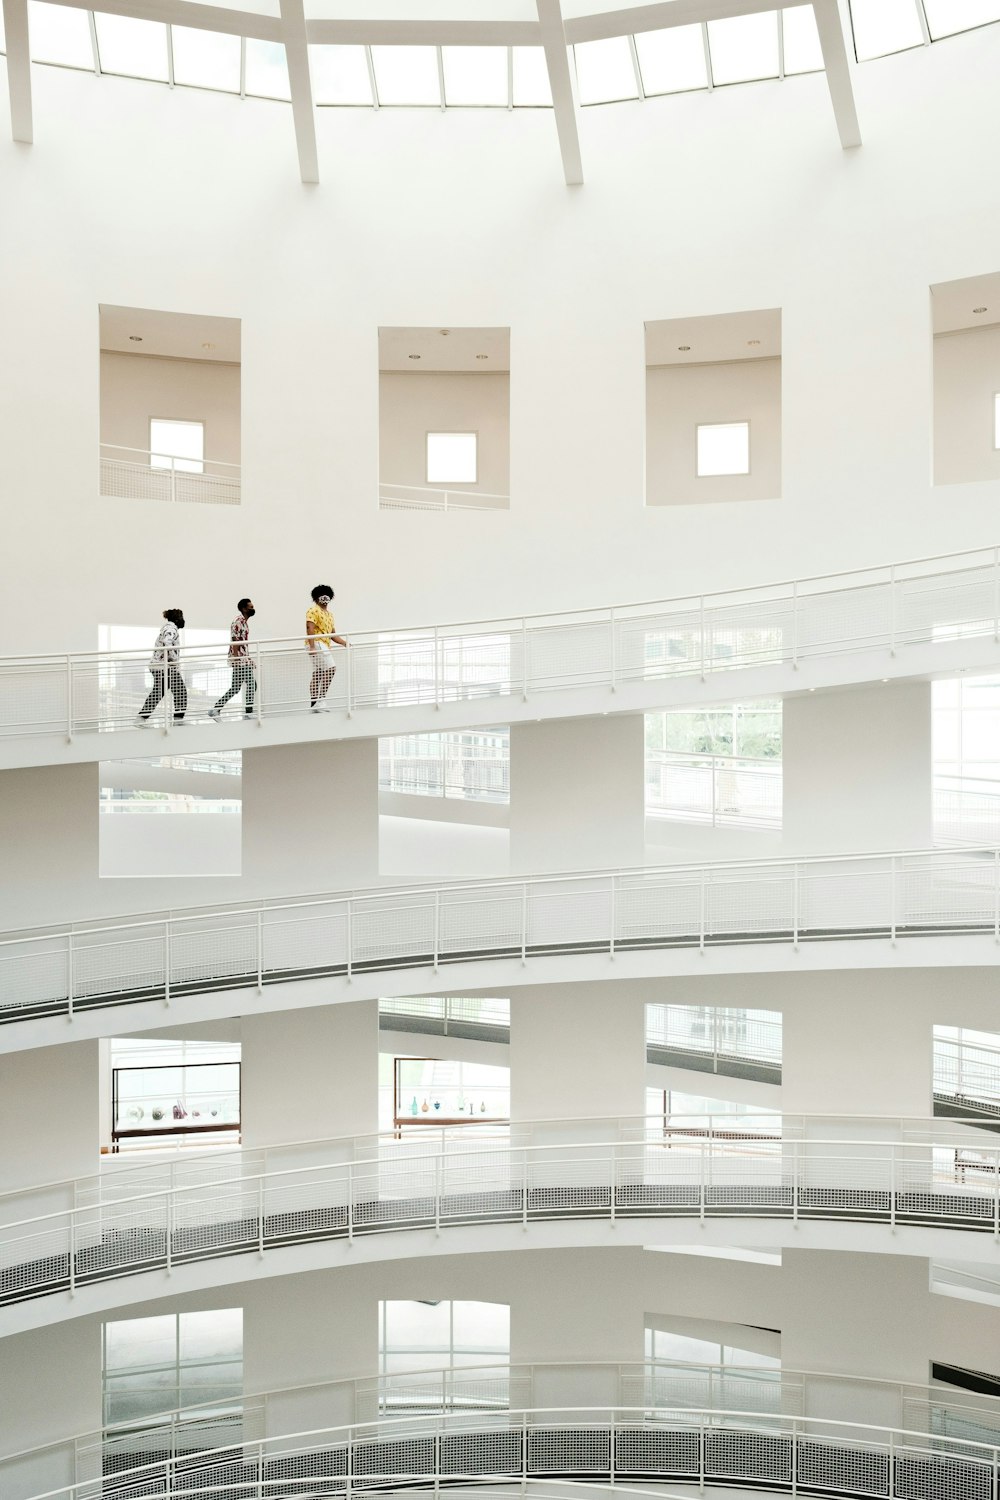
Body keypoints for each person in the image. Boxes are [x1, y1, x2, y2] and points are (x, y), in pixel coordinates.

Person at [135, 608, 187, 725]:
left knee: (159, 692)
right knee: (181, 692)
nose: (183, 620)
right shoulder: (171, 628)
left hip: (159, 666)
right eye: (182, 617)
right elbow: (167, 643)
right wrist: (174, 660)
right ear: (177, 618)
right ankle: (178, 720)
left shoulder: (168, 627)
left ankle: (142, 717)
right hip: (165, 667)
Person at [208, 598, 257, 720]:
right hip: (239, 660)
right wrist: (236, 659)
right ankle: (248, 711)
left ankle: (216, 709)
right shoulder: (238, 621)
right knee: (251, 684)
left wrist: (249, 659)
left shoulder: (244, 622)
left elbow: (243, 644)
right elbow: (235, 641)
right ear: (244, 609)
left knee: (235, 688)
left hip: (243, 659)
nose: (253, 609)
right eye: (250, 607)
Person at [305, 583, 347, 711]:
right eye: (322, 595)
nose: (325, 598)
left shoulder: (330, 615)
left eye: (327, 595)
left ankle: (314, 704)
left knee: (318, 673)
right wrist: (312, 646)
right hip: (317, 643)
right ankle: (321, 700)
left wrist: (344, 643)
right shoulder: (313, 610)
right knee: (331, 668)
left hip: (324, 645)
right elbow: (309, 628)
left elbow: (333, 635)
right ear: (316, 598)